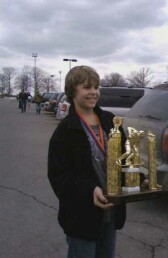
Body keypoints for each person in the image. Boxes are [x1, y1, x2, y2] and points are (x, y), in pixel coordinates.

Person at [48, 66, 127, 258]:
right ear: (72, 91)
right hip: (81, 215)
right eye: (86, 87)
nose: (93, 92)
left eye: (96, 87)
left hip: (111, 210)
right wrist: (90, 190)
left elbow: (125, 157)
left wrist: (137, 180)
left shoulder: (110, 121)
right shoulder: (66, 130)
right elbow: (59, 176)